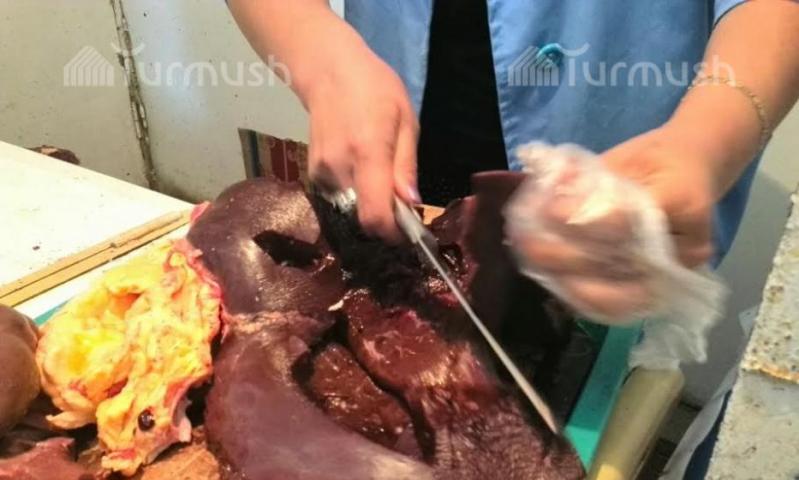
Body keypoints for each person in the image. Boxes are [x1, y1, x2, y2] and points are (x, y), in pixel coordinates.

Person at [228, 0, 799, 317]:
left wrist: (705, 139)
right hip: (403, 140)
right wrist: (321, 57)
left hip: (615, 175)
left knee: (587, 384)